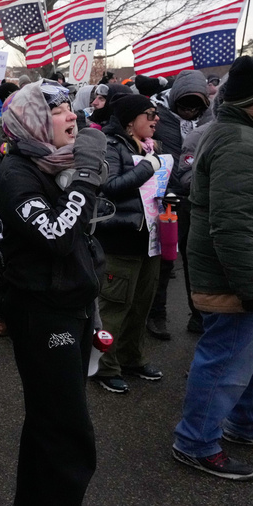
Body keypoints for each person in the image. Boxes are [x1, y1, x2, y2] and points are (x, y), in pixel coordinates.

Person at [172, 56, 253, 481]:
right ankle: (195, 441)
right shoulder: (242, 143)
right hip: (243, 280)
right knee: (225, 364)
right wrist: (252, 289)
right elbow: (231, 226)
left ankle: (247, 424)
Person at [0, 80, 107, 506]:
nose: (71, 115)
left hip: (70, 306)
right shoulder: (17, 174)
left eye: (68, 107)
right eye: (57, 110)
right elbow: (56, 234)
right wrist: (86, 178)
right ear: (34, 122)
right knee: (66, 433)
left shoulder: (52, 164)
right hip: (43, 314)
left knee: (50, 425)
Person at [91, 93, 165, 394]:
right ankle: (105, 366)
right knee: (114, 307)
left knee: (140, 306)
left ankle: (132, 359)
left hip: (150, 239)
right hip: (121, 240)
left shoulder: (151, 147)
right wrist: (148, 168)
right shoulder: (111, 146)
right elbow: (108, 188)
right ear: (130, 121)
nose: (155, 118)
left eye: (156, 113)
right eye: (149, 114)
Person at [145, 70, 212, 340]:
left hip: (197, 200)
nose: (189, 111)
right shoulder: (157, 117)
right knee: (164, 260)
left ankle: (198, 314)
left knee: (196, 261)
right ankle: (156, 314)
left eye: (195, 105)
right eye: (184, 104)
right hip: (165, 199)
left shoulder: (212, 120)